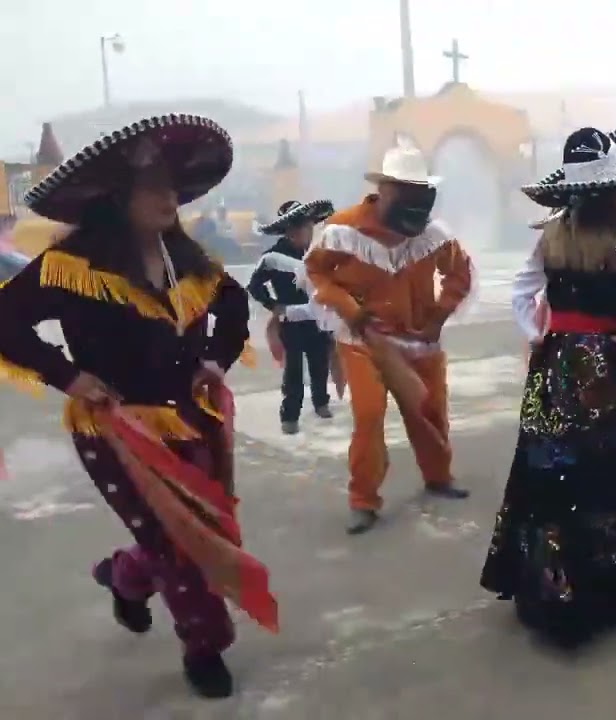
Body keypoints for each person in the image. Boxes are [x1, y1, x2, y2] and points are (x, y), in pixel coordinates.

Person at [0, 114, 259, 697]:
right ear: (118, 196)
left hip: (190, 421)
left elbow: (236, 308)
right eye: (154, 187)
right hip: (114, 428)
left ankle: (125, 575)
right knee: (179, 542)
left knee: (202, 527)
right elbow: (5, 320)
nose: (170, 197)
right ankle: (205, 647)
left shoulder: (188, 261)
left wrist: (214, 361)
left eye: (174, 187)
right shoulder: (71, 267)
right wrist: (67, 376)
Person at [481, 124, 616, 644]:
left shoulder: (550, 234)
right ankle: (613, 582)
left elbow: (520, 292)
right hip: (606, 370)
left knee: (550, 475)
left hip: (555, 368)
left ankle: (553, 586)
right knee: (615, 470)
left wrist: (537, 335)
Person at [305, 139, 474, 535]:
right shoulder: (341, 230)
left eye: (421, 192)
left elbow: (459, 274)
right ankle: (363, 500)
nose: (416, 199)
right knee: (368, 416)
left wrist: (438, 317)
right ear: (385, 190)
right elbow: (315, 273)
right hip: (365, 339)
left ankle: (439, 477)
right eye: (407, 191)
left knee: (431, 411)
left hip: (418, 340)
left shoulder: (434, 234)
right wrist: (348, 308)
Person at [246, 199, 335, 434]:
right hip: (291, 322)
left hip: (318, 320)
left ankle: (321, 403)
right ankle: (290, 416)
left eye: (308, 226)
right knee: (293, 370)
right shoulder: (272, 257)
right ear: (290, 230)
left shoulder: (320, 253)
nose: (306, 231)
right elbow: (254, 285)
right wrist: (273, 305)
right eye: (301, 227)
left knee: (320, 365)